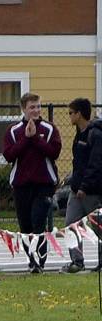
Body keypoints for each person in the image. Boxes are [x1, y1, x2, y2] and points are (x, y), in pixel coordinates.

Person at [2, 92, 62, 273]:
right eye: (32, 107)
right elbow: (9, 155)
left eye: (38, 106)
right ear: (24, 109)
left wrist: (36, 138)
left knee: (38, 222)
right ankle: (31, 260)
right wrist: (26, 138)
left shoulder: (49, 129)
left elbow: (54, 152)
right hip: (21, 185)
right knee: (25, 225)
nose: (36, 110)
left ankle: (40, 262)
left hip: (43, 184)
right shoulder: (13, 131)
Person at [62, 97, 102, 272]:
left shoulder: (95, 134)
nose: (69, 116)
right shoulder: (79, 134)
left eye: (71, 113)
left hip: (91, 191)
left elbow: (95, 164)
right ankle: (77, 262)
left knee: (98, 226)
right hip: (75, 189)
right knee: (71, 223)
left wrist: (84, 186)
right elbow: (78, 163)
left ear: (79, 114)